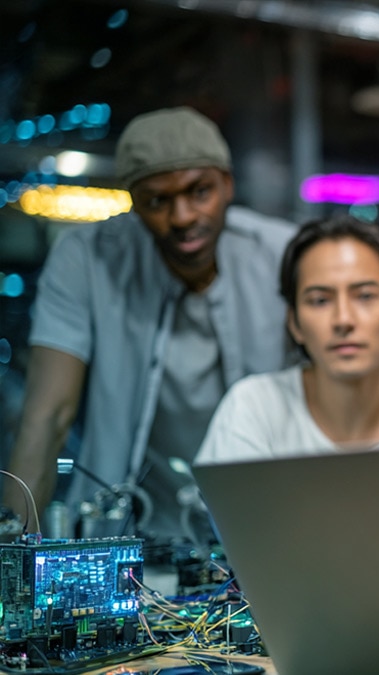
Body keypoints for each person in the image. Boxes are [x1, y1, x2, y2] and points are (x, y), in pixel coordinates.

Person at [2, 107, 296, 543]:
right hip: (129, 538)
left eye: (200, 192)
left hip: (273, 526)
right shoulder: (86, 258)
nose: (182, 217)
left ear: (228, 185)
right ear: (133, 201)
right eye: (158, 200)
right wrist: (9, 560)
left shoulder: (283, 256)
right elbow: (48, 417)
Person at [195, 215, 379, 563]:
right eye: (320, 300)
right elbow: (244, 552)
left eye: (365, 296)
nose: (343, 319)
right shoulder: (253, 408)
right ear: (294, 322)